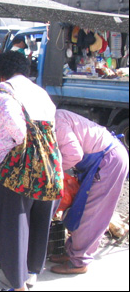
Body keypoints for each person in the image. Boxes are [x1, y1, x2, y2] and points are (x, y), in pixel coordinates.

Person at [0, 51, 60, 291]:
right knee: (39, 222)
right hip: (48, 165)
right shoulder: (41, 92)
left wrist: (17, 145)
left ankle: (17, 286)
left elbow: (14, 124)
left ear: (1, 72)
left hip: (18, 168)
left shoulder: (5, 89)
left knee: (14, 226)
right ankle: (31, 275)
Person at [49, 109, 129, 274]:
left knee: (92, 214)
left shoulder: (57, 121)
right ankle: (73, 253)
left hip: (109, 161)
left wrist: (51, 172)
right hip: (101, 160)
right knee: (81, 209)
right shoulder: (56, 117)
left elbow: (74, 155)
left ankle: (79, 262)